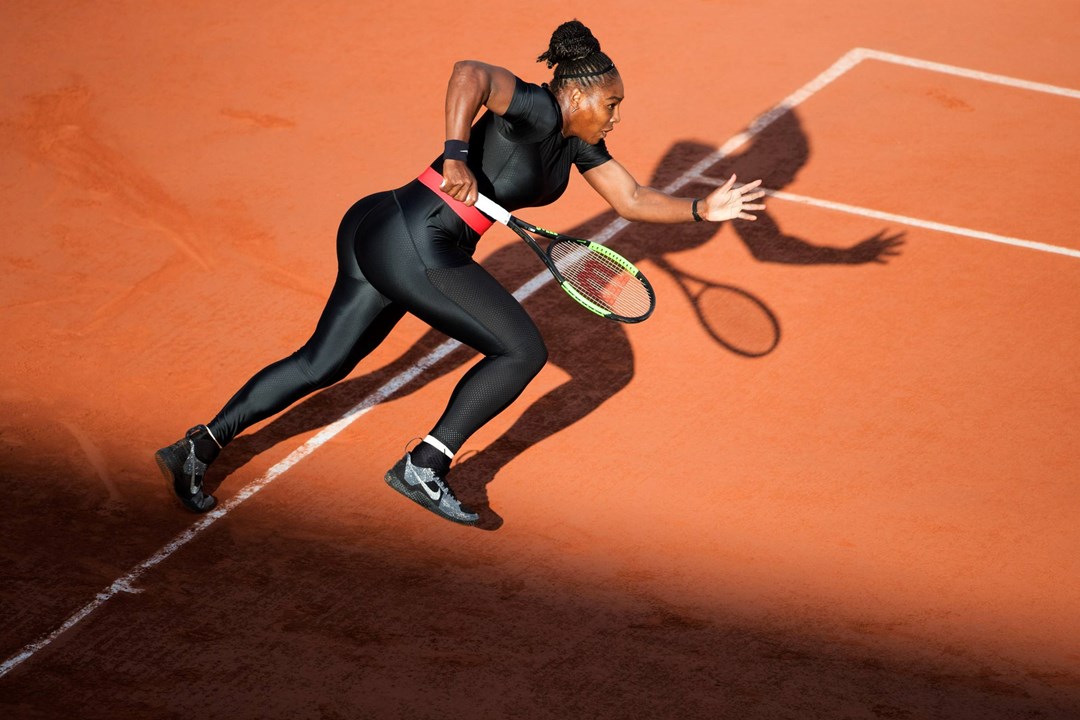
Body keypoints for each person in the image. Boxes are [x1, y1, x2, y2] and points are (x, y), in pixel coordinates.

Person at [155, 19, 766, 526]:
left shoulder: (578, 144)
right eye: (612, 103)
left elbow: (630, 198)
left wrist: (700, 209)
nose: (615, 116)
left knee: (324, 361)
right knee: (520, 350)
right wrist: (455, 152)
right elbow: (469, 72)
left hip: (385, 226)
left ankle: (196, 446)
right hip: (418, 239)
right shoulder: (534, 107)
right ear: (578, 95)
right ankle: (426, 465)